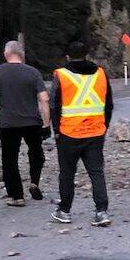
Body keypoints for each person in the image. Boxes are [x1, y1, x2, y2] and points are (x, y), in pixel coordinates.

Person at [49, 41, 114, 227]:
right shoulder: (101, 73)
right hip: (95, 132)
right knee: (96, 172)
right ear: (87, 54)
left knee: (67, 174)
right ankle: (101, 212)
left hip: (69, 133)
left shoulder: (61, 75)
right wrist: (104, 126)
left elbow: (54, 105)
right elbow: (108, 104)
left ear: (67, 56)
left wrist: (56, 131)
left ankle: (65, 211)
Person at [0, 40, 51, 206]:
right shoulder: (33, 72)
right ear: (22, 55)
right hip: (32, 122)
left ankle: (17, 196)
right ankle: (34, 181)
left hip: (8, 123)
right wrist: (46, 124)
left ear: (6, 54)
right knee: (36, 153)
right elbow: (44, 99)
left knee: (9, 159)